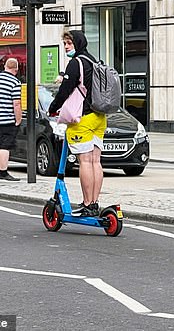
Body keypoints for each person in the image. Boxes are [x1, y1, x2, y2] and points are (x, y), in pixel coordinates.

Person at [47, 31, 105, 216]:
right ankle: (94, 203)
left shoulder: (76, 63)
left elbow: (64, 91)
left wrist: (52, 108)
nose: (66, 47)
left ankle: (87, 203)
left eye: (69, 43)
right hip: (99, 117)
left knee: (85, 162)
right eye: (64, 43)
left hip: (82, 118)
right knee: (96, 161)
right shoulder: (94, 61)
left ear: (78, 43)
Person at [0, 58, 22, 182]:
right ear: (16, 69)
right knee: (5, 147)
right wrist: (18, 120)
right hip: (7, 119)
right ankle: (3, 172)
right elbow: (16, 103)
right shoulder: (15, 82)